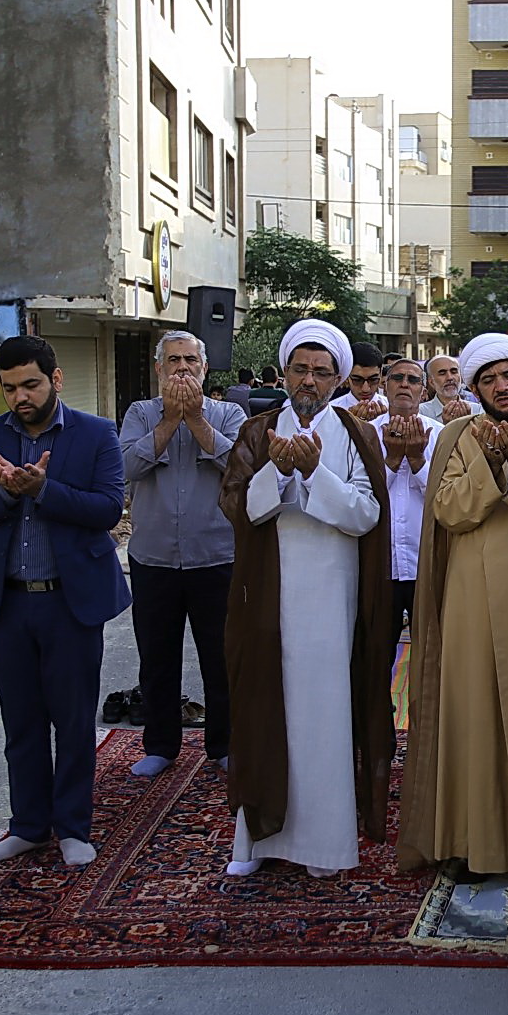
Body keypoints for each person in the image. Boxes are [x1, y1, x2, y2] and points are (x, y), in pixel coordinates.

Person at [221, 320, 396, 879]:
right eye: (301, 369)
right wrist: (277, 466)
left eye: (323, 372)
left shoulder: (356, 434)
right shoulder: (257, 431)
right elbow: (239, 507)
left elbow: (367, 514)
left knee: (323, 715)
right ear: (285, 373)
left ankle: (322, 845)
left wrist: (315, 470)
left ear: (339, 379)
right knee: (262, 706)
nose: (311, 381)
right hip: (266, 598)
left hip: (332, 600)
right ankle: (255, 841)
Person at [0, 335, 131, 867]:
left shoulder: (96, 433)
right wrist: (6, 493)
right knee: (21, 721)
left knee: (73, 721)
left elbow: (106, 510)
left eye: (30, 384)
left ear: (55, 380)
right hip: (7, 605)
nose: (20, 397)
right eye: (9, 388)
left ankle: (73, 826)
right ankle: (28, 825)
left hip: (68, 603)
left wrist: (42, 490)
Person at [398, 333, 508, 875]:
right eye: (490, 379)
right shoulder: (455, 435)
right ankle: (471, 846)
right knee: (472, 716)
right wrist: (492, 467)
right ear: (475, 387)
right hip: (470, 598)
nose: (502, 387)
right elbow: (449, 509)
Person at [118, 330, 246, 779]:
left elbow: (239, 468)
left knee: (222, 655)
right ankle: (160, 744)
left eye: (190, 360)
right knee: (157, 656)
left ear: (205, 367)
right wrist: (170, 420)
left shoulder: (228, 413)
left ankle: (225, 743)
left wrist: (195, 420)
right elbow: (127, 467)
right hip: (154, 558)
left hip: (216, 555)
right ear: (158, 369)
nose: (182, 369)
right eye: (172, 360)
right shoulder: (140, 413)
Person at [374, 355, 441, 666]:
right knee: (375, 657)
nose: (404, 385)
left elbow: (446, 499)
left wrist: (416, 461)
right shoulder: (365, 433)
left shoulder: (440, 435)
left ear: (424, 391)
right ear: (384, 387)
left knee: (430, 657)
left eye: (413, 380)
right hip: (379, 563)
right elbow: (362, 498)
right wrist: (390, 460)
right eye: (397, 378)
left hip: (424, 563)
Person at [330, 342, 387, 420]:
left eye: (373, 380)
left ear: (380, 373)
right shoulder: (332, 412)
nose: (365, 389)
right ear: (347, 375)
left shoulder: (392, 410)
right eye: (357, 380)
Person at [420, 354, 476, 424]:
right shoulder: (421, 413)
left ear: (461, 377)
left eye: (454, 372)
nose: (449, 377)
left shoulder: (478, 410)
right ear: (431, 382)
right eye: (442, 373)